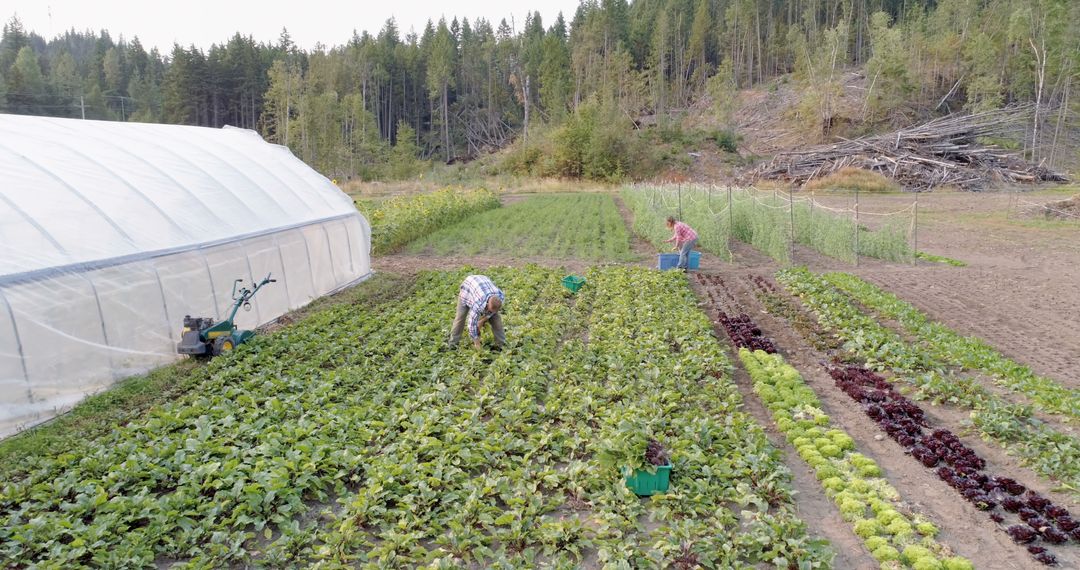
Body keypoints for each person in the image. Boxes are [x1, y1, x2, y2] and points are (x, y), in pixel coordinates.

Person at [449, 274, 506, 349]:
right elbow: (471, 325)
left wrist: (482, 320)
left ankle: (501, 346)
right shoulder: (478, 304)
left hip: (482, 283)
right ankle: (453, 344)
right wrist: (477, 343)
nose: (489, 312)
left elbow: (493, 312)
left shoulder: (500, 296)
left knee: (496, 320)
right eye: (489, 310)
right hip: (467, 289)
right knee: (460, 318)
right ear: (487, 303)